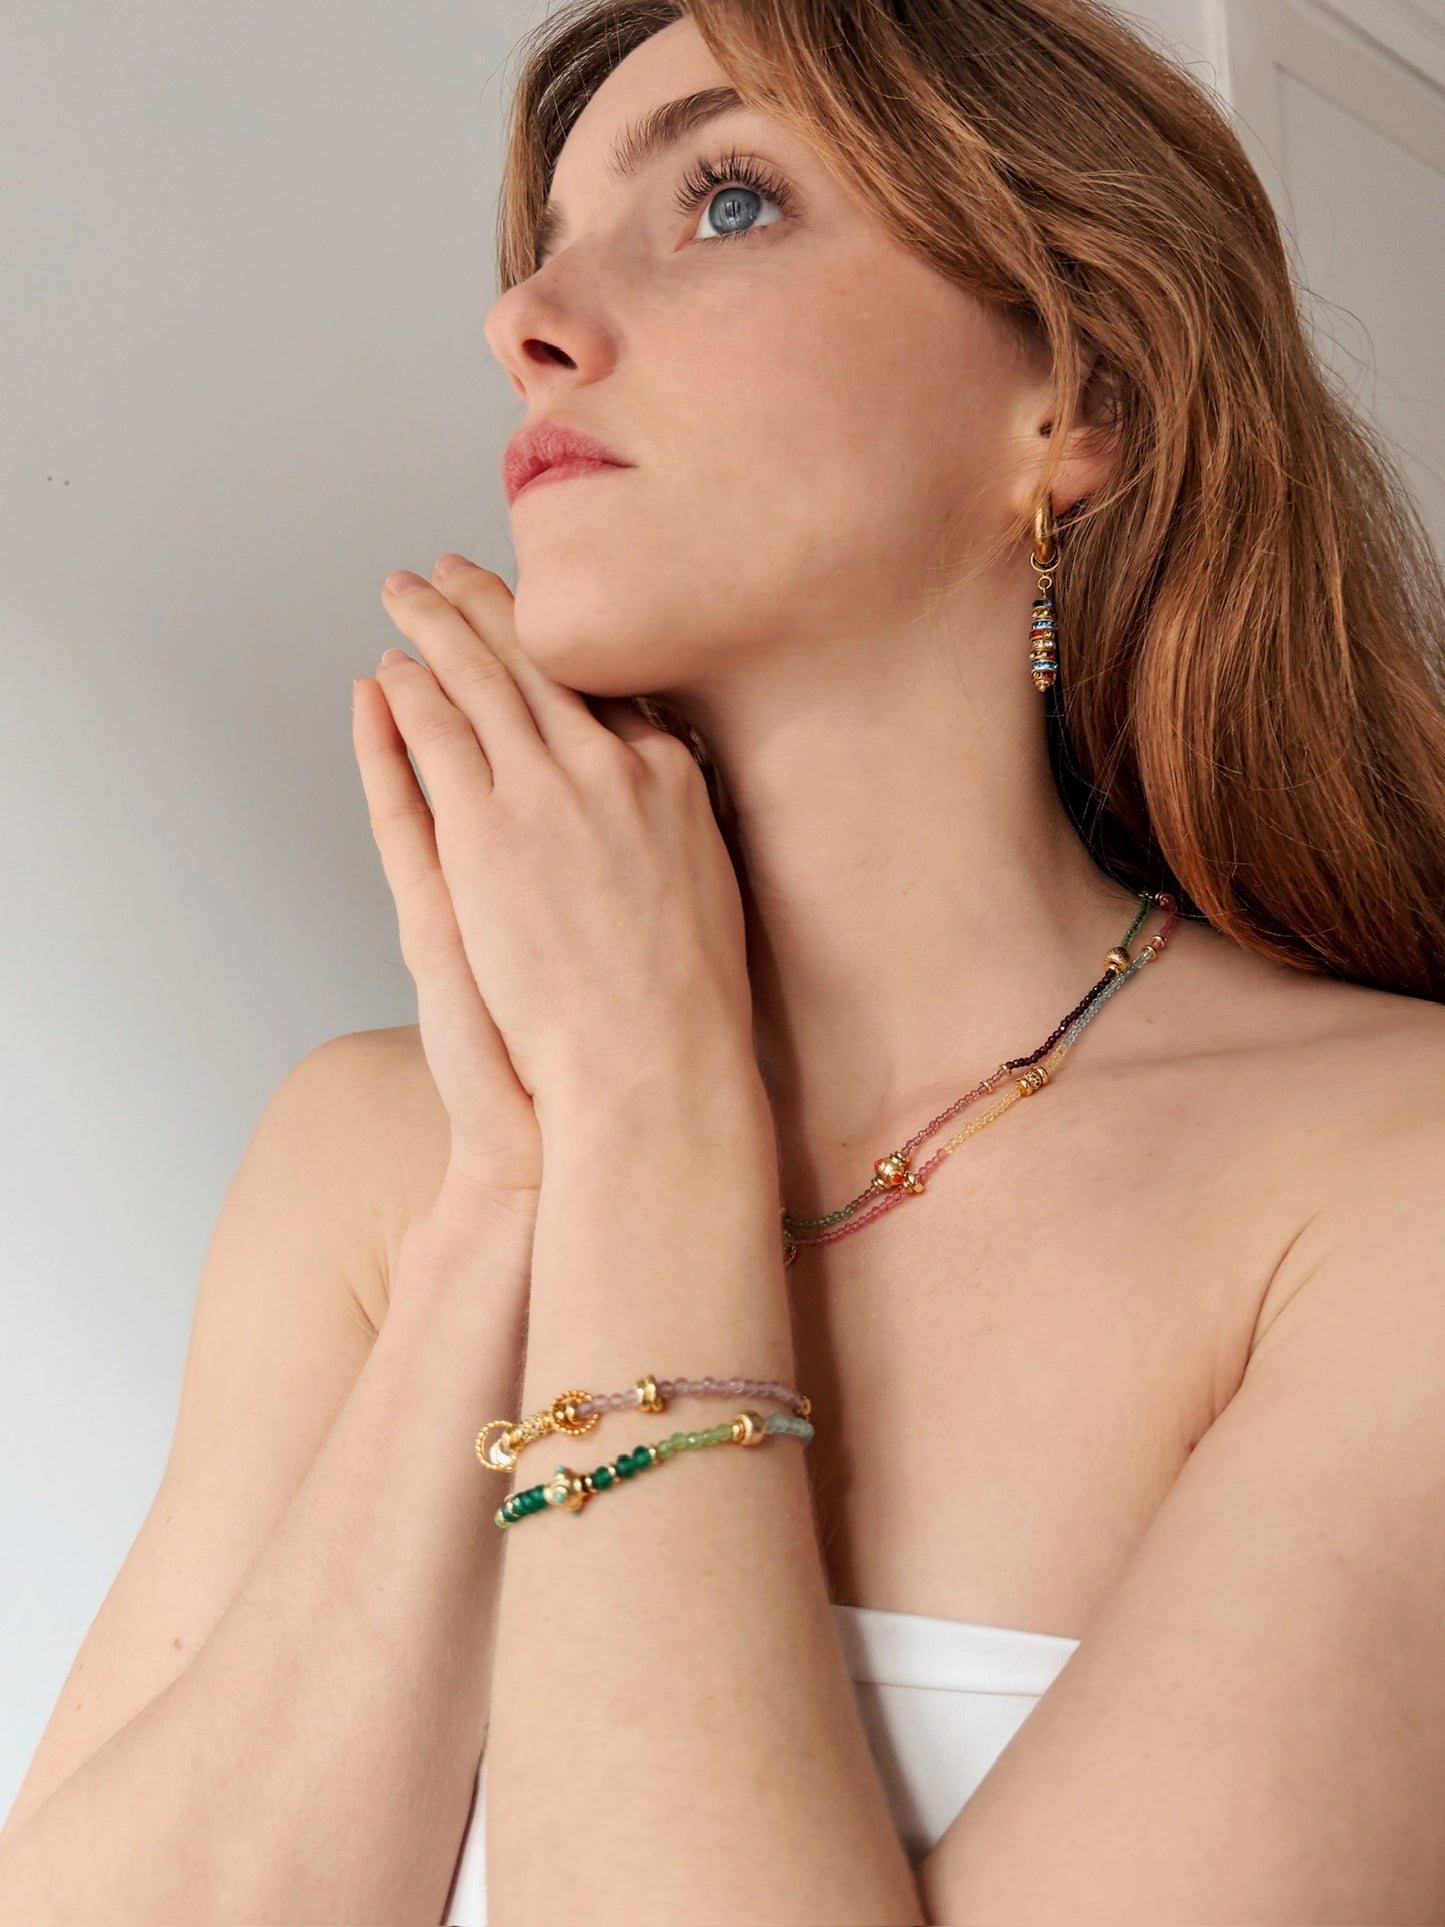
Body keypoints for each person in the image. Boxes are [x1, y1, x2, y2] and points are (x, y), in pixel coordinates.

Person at [5, 0, 1445, 1921]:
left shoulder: (1395, 1185)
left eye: (730, 198)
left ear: (1074, 400)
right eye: (544, 247)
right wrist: (519, 1192)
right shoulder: (376, 1157)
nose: (523, 320)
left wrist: (651, 1112)